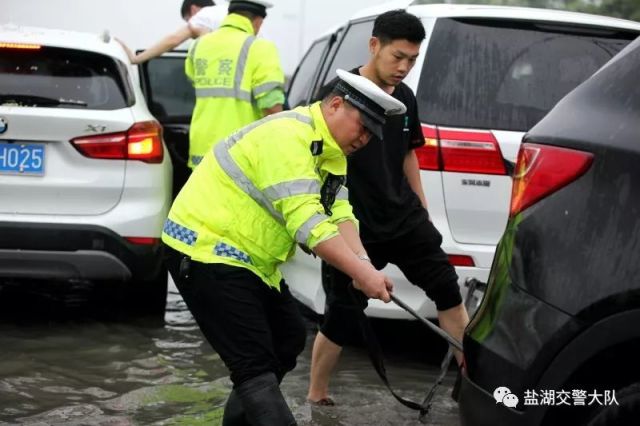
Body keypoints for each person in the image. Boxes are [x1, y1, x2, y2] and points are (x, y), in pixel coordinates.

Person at [162, 69, 406, 425]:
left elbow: (338, 211)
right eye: (362, 126)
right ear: (335, 105)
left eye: (372, 133)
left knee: (287, 337)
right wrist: (362, 274)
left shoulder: (330, 151)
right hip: (204, 249)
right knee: (254, 362)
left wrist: (364, 264)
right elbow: (309, 223)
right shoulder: (289, 137)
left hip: (249, 258)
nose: (365, 139)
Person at [307, 10, 470, 406]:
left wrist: (423, 207)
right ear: (374, 45)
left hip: (405, 219)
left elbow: (409, 155)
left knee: (448, 291)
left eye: (412, 60)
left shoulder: (406, 97)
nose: (404, 67)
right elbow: (314, 163)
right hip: (353, 225)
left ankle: (472, 386)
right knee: (342, 315)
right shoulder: (338, 97)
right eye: (398, 56)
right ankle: (316, 396)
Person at [184, 0, 285, 169]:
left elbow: (193, 77)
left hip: (200, 152)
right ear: (258, 21)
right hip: (239, 153)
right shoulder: (260, 48)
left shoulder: (198, 45)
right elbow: (271, 106)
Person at [118, 0, 227, 65]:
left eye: (187, 20)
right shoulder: (227, 11)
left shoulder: (203, 15)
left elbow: (173, 40)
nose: (191, 37)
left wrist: (136, 59)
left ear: (193, 10)